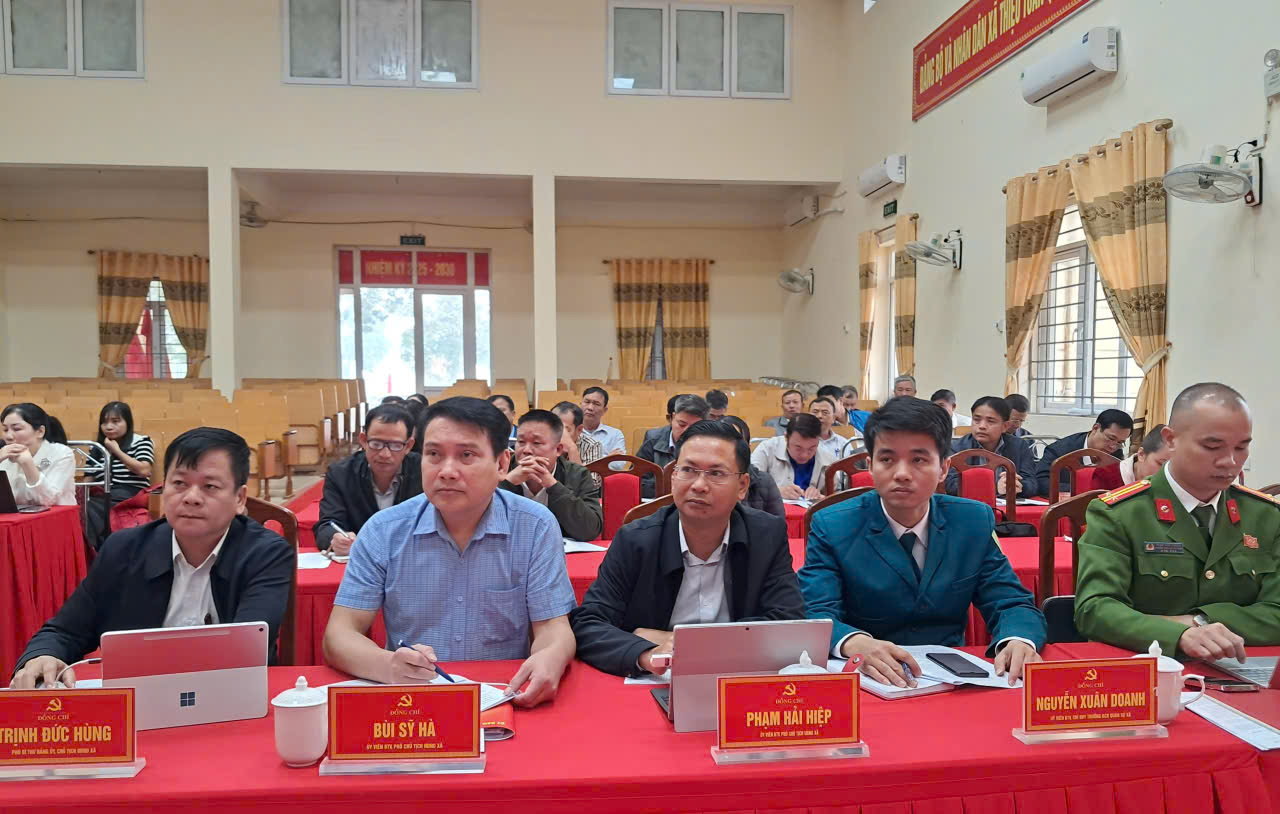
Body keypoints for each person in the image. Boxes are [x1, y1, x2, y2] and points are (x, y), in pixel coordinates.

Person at [323, 397, 577, 709]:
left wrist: (551, 656)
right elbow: (340, 634)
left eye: (466, 455)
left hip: (503, 698)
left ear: (501, 464)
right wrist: (387, 665)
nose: (446, 471)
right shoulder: (383, 530)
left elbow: (553, 629)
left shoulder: (535, 526)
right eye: (434, 454)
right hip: (413, 701)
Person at [10, 428, 294, 688]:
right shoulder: (123, 549)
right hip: (137, 703)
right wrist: (43, 655)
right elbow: (65, 630)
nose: (191, 497)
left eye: (210, 487)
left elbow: (246, 649)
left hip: (229, 697)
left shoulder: (265, 554)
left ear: (240, 499)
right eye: (179, 483)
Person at [798, 397, 1046, 688]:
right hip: (866, 680)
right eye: (887, 459)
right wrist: (853, 642)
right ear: (870, 465)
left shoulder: (971, 521)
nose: (902, 473)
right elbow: (816, 611)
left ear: (943, 468)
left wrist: (1017, 639)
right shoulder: (833, 525)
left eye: (918, 460)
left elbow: (1010, 601)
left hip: (951, 681)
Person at [570, 420, 806, 676]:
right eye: (688, 470)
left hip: (737, 677)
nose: (699, 485)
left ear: (742, 486)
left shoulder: (765, 535)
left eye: (716, 473)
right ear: (673, 477)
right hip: (657, 679)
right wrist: (647, 652)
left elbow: (789, 620)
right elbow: (589, 623)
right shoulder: (637, 539)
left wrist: (686, 641)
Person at [1075, 383, 1280, 660]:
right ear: (1171, 440)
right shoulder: (1120, 513)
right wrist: (1177, 635)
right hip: (1151, 669)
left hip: (1246, 668)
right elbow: (1095, 609)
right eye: (1212, 446)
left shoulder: (1265, 516)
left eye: (1241, 447)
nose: (1230, 461)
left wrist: (1199, 622)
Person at [314, 404, 423, 554]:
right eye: (376, 444)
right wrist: (335, 537)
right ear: (364, 440)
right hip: (361, 559)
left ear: (409, 446)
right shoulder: (341, 474)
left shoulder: (424, 472)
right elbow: (327, 524)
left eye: (395, 445)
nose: (384, 454)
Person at [498, 409, 603, 541]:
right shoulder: (500, 469)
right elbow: (479, 519)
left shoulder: (577, 474)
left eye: (536, 443)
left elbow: (590, 530)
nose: (526, 450)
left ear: (558, 449)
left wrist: (553, 485)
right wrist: (507, 483)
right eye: (521, 442)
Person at [82, 401, 155, 551]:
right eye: (104, 422)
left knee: (90, 508)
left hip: (129, 494)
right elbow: (88, 478)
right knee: (81, 507)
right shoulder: (96, 448)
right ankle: (94, 550)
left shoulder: (141, 441)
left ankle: (95, 550)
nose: (108, 427)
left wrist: (116, 451)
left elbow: (144, 470)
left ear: (127, 422)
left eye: (115, 421)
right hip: (101, 494)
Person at [945, 396, 1038, 499]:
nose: (982, 426)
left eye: (990, 421)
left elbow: (1032, 483)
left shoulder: (1019, 446)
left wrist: (1015, 485)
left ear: (1005, 426)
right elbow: (950, 484)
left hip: (1009, 504)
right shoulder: (957, 447)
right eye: (976, 420)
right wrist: (993, 487)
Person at [1034, 408, 1133, 497]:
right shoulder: (1059, 450)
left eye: (1120, 442)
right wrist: (1084, 489)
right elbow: (1042, 482)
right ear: (1095, 428)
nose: (1113, 447)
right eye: (1111, 438)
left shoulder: (1116, 453)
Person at [0, 402, 75, 507]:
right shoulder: (4, 456)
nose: (8, 436)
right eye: (5, 429)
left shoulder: (61, 453)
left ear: (40, 431)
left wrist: (27, 464)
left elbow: (48, 500)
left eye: (16, 429)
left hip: (54, 515)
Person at [637, 394, 709, 498]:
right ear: (673, 417)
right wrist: (668, 485)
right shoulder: (653, 441)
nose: (686, 431)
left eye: (694, 427)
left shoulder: (712, 445)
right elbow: (636, 481)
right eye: (681, 424)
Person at [750, 413, 835, 501]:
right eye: (798, 448)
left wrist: (821, 497)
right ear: (786, 438)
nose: (804, 455)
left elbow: (837, 496)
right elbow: (751, 484)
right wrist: (777, 490)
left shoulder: (828, 459)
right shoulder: (767, 449)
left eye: (811, 449)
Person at [719, 415, 785, 518]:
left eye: (735, 443)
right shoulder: (704, 480)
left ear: (748, 448)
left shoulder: (764, 481)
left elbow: (778, 523)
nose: (727, 449)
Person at [1092, 425, 1172, 492]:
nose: (1167, 472)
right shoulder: (1105, 477)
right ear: (1141, 454)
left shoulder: (1172, 484)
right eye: (1161, 464)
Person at [553, 401, 603, 466]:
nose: (557, 434)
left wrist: (572, 448)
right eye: (553, 428)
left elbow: (589, 473)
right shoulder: (544, 441)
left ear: (579, 430)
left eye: (565, 430)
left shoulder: (592, 446)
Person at [580, 387, 626, 455]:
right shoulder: (571, 431)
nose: (590, 408)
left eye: (596, 404)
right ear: (580, 404)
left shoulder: (615, 435)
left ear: (604, 410)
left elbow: (618, 460)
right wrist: (608, 457)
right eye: (587, 402)